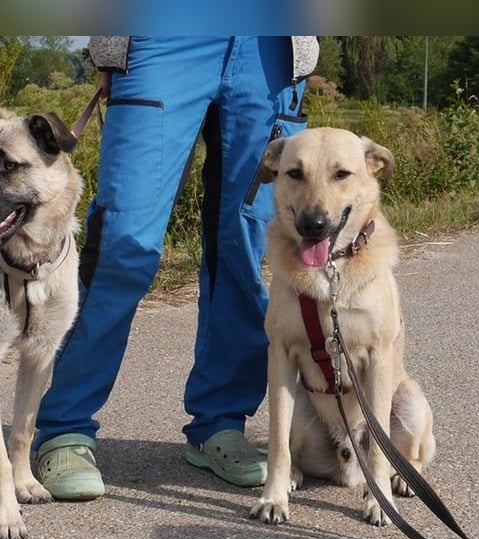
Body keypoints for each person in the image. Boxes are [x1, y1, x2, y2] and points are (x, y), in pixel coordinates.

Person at [34, 36, 319, 499]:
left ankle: (220, 423)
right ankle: (64, 427)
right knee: (124, 240)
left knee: (243, 247)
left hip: (266, 47)